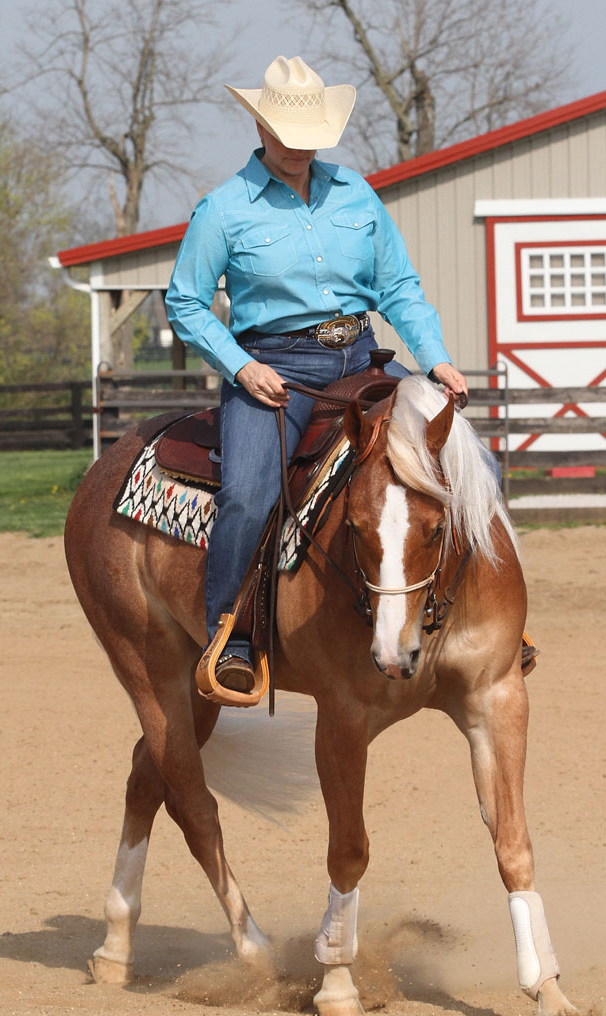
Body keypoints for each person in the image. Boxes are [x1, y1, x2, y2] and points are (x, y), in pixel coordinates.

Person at [165, 55, 469, 695]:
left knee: (472, 465)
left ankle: (475, 615)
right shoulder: (223, 209)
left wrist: (435, 356)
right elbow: (185, 302)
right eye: (286, 133)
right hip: (275, 369)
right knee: (248, 495)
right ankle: (233, 635)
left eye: (311, 136)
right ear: (259, 126)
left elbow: (399, 287)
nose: (300, 148)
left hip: (361, 357)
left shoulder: (356, 193)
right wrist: (244, 368)